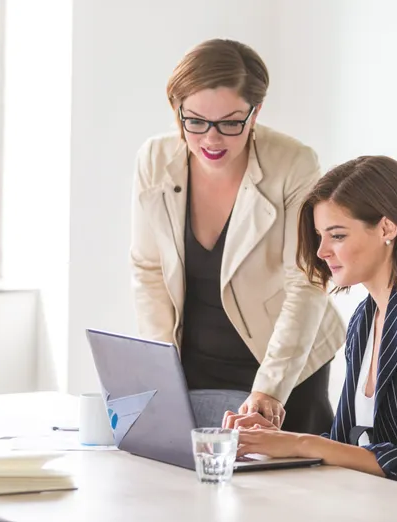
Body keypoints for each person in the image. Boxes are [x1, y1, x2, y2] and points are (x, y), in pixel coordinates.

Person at [224, 155, 397, 498]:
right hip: (380, 504)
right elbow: (343, 444)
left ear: (387, 228)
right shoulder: (365, 318)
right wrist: (273, 441)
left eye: (337, 235)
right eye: (319, 236)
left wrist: (299, 442)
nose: (322, 251)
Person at [129, 38, 345, 434]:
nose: (211, 139)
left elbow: (306, 279)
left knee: (289, 471)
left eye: (230, 123)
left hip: (285, 364)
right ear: (177, 110)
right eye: (195, 121)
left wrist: (269, 389)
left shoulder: (293, 163)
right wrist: (161, 370)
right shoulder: (154, 160)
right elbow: (148, 269)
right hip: (194, 362)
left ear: (255, 112)